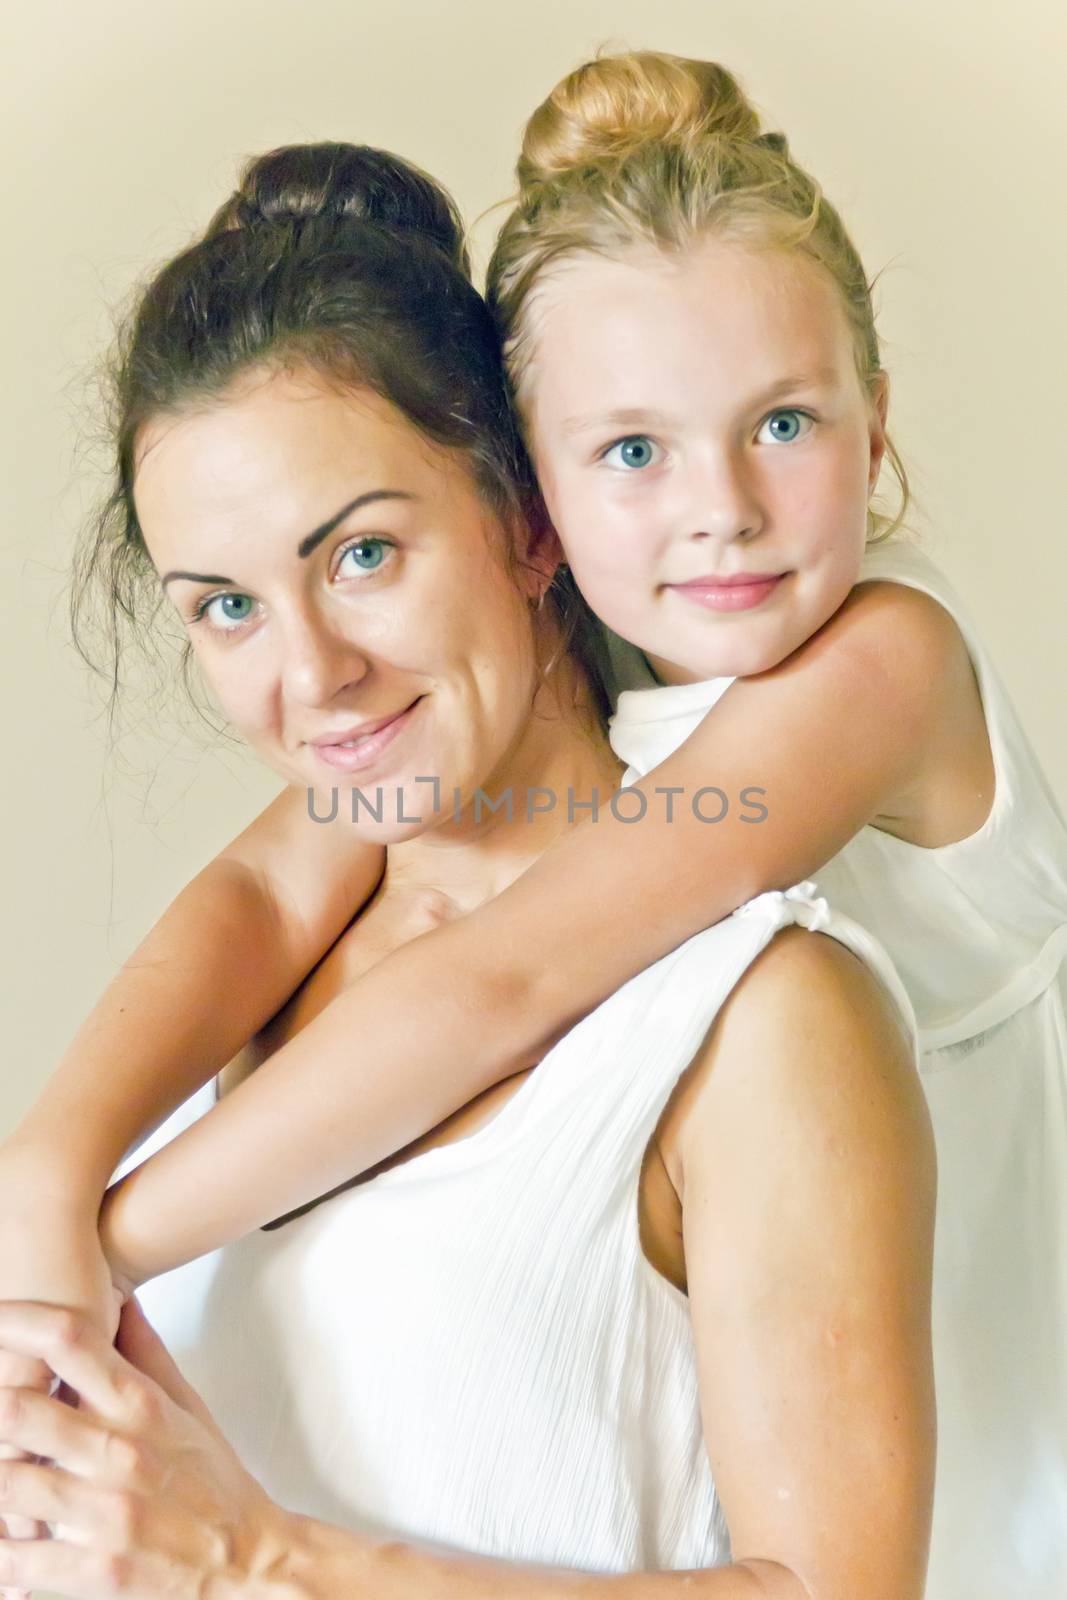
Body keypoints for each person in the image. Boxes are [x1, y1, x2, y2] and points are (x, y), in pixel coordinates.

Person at [3, 47, 1064, 1599]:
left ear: (519, 526)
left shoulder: (861, 686)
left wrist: (95, 1250)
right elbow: (266, 877)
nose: (719, 513)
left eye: (364, 554)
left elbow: (506, 978)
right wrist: (43, 1183)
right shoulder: (563, 705)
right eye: (225, 605)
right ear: (563, 496)